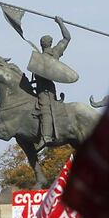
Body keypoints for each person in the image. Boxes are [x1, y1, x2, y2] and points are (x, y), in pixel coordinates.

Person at [35, 16, 71, 148]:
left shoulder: (41, 58)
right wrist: (60, 22)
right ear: (50, 43)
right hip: (43, 87)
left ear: (42, 44)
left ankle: (46, 136)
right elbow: (67, 38)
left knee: (45, 109)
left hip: (45, 89)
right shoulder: (55, 52)